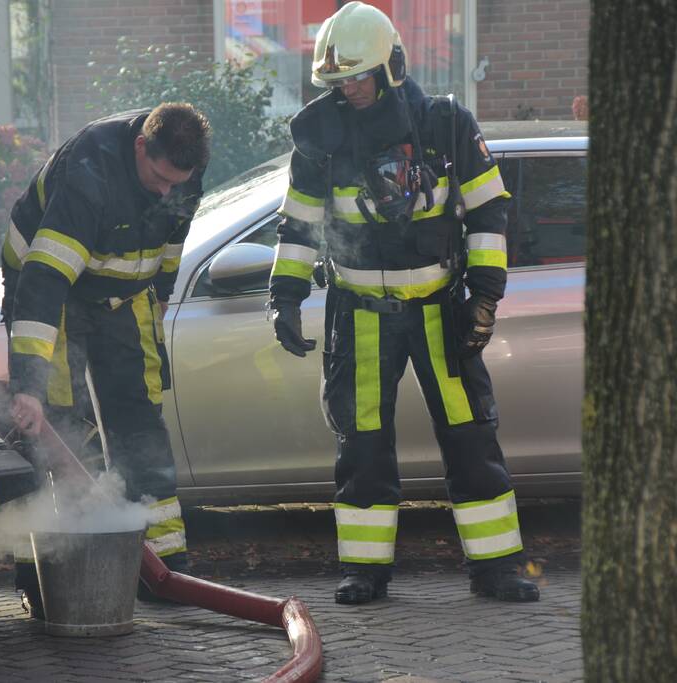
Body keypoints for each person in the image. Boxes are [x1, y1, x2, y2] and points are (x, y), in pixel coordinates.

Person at [268, 2, 539, 604]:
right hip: (360, 314)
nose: (350, 91)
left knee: (470, 435)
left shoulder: (444, 125)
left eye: (359, 77)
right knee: (362, 443)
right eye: (339, 81)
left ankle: (497, 567)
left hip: (440, 309)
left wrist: (485, 297)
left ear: (391, 66)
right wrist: (284, 297)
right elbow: (298, 226)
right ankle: (365, 571)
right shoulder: (320, 139)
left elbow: (490, 212)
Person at [2, 102, 211, 616]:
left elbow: (172, 239)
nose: (167, 190)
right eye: (159, 178)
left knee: (140, 422)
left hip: (127, 293)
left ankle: (166, 571)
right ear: (141, 146)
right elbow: (45, 280)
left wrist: (160, 291)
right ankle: (51, 573)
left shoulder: (184, 166)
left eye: (176, 182)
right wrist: (27, 382)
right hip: (56, 289)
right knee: (58, 425)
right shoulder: (89, 173)